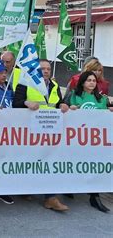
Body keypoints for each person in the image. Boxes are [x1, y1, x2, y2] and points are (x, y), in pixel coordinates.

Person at [13, 59, 70, 212]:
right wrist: (26, 103)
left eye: (48, 69)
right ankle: (26, 188)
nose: (45, 71)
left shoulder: (55, 85)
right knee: (31, 161)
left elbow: (58, 103)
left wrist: (63, 105)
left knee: (49, 161)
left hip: (50, 129)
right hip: (30, 131)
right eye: (42, 69)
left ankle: (50, 198)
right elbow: (15, 103)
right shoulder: (24, 83)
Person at [62, 71, 113, 212]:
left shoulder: (101, 99)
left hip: (96, 141)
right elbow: (62, 110)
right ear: (83, 82)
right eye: (89, 80)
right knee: (75, 163)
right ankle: (69, 187)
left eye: (94, 80)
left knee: (95, 166)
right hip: (77, 138)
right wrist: (70, 109)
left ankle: (95, 196)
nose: (92, 82)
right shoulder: (74, 96)